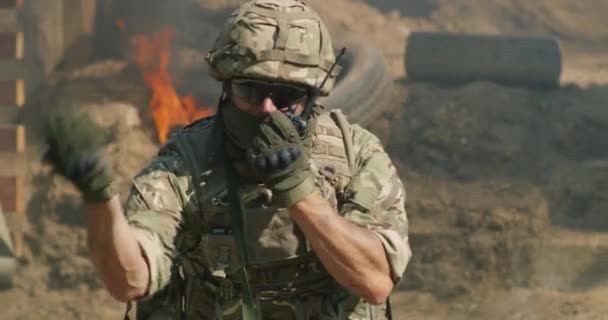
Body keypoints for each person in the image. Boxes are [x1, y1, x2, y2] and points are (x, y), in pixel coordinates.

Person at [42, 0, 411, 319]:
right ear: (225, 85)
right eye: (250, 90)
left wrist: (298, 192)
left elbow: (375, 282)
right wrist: (100, 196)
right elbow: (130, 279)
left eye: (285, 95)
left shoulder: (355, 152)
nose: (266, 109)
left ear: (314, 96)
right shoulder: (185, 162)